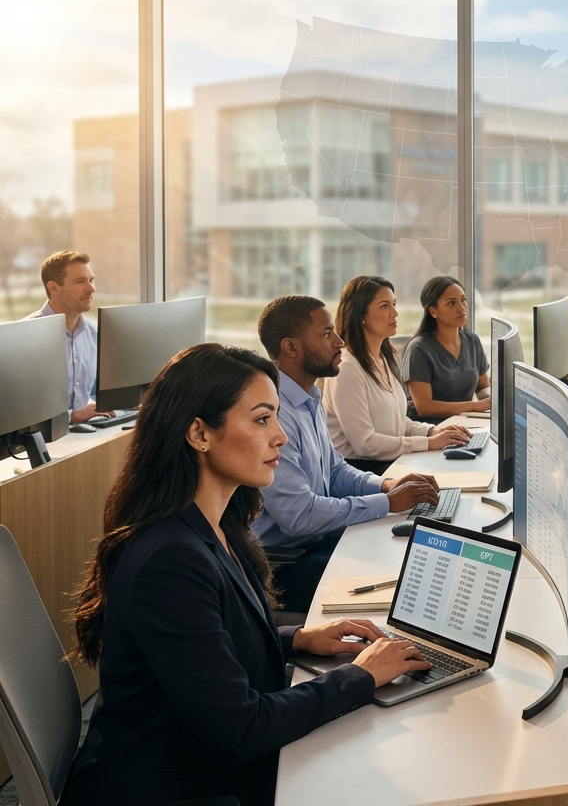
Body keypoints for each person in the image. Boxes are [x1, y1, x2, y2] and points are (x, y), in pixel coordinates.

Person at [62, 343, 432, 806]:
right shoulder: (168, 560)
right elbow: (241, 728)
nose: (280, 436)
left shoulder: (219, 524)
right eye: (261, 420)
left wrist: (298, 638)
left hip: (204, 766)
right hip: (173, 787)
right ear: (199, 433)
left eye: (276, 417)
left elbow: (207, 641)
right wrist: (358, 676)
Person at [255, 295, 440, 613]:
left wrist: (385, 487)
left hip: (318, 542)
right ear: (291, 348)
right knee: (406, 581)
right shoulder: (277, 412)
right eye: (327, 334)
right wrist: (387, 503)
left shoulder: (308, 396)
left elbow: (336, 470)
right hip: (287, 565)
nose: (340, 342)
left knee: (415, 556)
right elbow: (299, 516)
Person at [326, 275, 471, 475]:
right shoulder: (348, 368)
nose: (394, 313)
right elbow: (365, 444)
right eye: (384, 306)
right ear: (361, 315)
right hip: (362, 470)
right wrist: (427, 443)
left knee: (457, 468)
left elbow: (395, 423)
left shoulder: (383, 358)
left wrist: (432, 431)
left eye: (394, 304)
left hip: (391, 461)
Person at [24, 250, 113, 424]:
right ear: (54, 288)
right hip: (45, 441)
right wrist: (70, 416)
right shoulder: (26, 337)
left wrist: (121, 403)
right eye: (80, 282)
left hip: (86, 433)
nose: (91, 289)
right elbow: (18, 407)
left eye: (91, 280)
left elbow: (94, 392)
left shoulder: (94, 334)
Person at [401, 276, 490, 422]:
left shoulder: (472, 341)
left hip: (465, 425)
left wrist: (491, 400)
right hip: (430, 431)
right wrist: (475, 406)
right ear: (433, 311)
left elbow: (482, 388)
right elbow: (424, 407)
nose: (462, 307)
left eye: (463, 300)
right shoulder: (418, 349)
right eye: (451, 303)